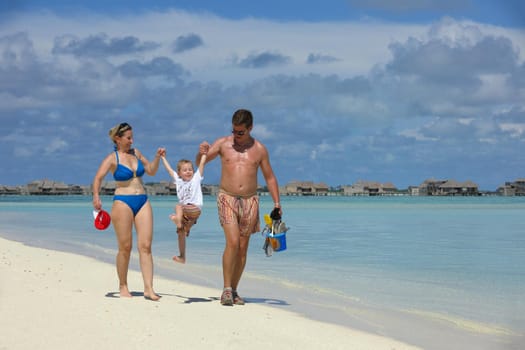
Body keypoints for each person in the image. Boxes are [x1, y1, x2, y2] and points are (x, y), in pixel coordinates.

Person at [197, 109, 282, 306]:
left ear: (250, 128)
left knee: (243, 249)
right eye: (234, 131)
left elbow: (270, 177)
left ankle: (234, 290)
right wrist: (201, 152)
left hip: (250, 200)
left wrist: (277, 204)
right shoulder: (223, 144)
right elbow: (200, 162)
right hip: (227, 197)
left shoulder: (260, 149)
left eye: (241, 132)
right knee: (233, 242)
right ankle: (226, 289)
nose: (236, 136)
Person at [92, 122, 165, 301]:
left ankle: (148, 288)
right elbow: (98, 178)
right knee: (125, 247)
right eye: (128, 138)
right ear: (118, 139)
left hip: (142, 200)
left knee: (145, 246)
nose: (131, 141)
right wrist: (96, 196)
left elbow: (151, 171)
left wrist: (157, 157)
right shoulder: (112, 158)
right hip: (122, 201)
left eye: (132, 137)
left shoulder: (136, 153)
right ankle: (123, 285)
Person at [161, 153, 207, 264]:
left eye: (190, 169)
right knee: (181, 232)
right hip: (188, 214)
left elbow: (202, 164)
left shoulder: (195, 179)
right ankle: (182, 257)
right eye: (185, 170)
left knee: (178, 206)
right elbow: (169, 170)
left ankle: (178, 219)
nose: (188, 171)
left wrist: (204, 154)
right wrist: (163, 157)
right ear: (179, 173)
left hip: (194, 208)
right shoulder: (178, 180)